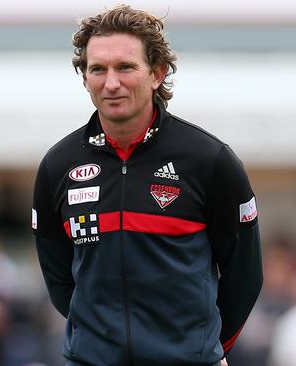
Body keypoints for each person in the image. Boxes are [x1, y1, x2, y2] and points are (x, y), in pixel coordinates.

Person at [31, 5, 262, 366]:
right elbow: (60, 282)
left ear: (157, 73)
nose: (111, 83)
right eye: (98, 69)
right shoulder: (58, 165)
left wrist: (201, 348)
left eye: (125, 67)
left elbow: (244, 278)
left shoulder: (211, 160)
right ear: (84, 78)